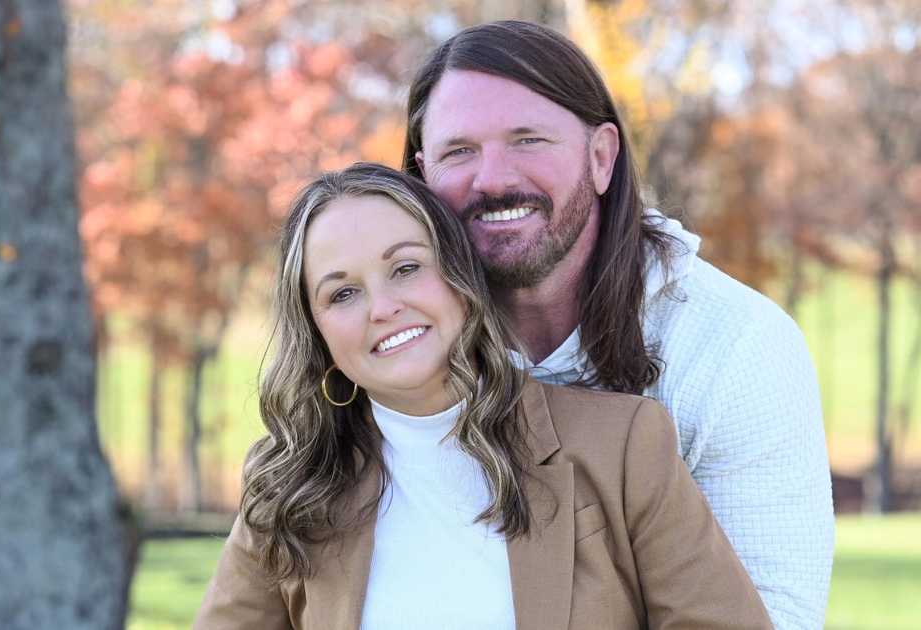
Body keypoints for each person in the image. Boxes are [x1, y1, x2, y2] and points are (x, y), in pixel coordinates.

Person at [194, 162, 771, 629]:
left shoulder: (621, 446)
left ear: (459, 276)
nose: (382, 307)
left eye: (406, 268)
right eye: (342, 293)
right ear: (317, 331)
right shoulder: (289, 489)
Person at [401, 20, 833, 630]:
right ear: (422, 177)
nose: (493, 178)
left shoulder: (734, 347)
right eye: (458, 151)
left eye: (528, 140)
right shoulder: (395, 342)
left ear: (602, 156)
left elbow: (769, 618)